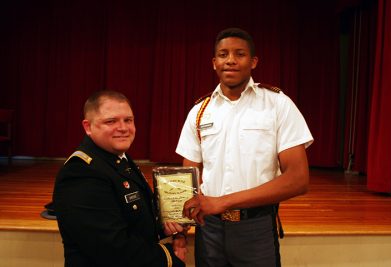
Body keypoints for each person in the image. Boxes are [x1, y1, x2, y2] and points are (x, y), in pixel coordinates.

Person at [176, 28, 314, 267]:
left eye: (239, 54)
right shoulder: (199, 111)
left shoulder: (277, 104)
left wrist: (222, 202)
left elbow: (298, 179)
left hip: (256, 228)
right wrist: (180, 233)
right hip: (209, 230)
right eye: (223, 54)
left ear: (253, 61)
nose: (230, 60)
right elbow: (188, 181)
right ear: (214, 62)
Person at [53, 90, 187, 267]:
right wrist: (169, 258)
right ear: (88, 127)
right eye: (111, 121)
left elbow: (134, 220)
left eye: (128, 120)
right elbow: (111, 247)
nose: (123, 128)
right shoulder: (81, 172)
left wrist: (165, 225)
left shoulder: (118, 160)